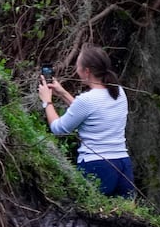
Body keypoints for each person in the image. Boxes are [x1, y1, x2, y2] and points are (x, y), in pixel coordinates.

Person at [37, 45, 134, 197]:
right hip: (122, 165)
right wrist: (62, 93)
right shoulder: (119, 92)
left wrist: (47, 102)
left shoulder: (87, 100)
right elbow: (92, 112)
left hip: (97, 165)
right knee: (123, 218)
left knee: (89, 217)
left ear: (87, 71)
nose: (77, 71)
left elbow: (58, 128)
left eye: (78, 67)